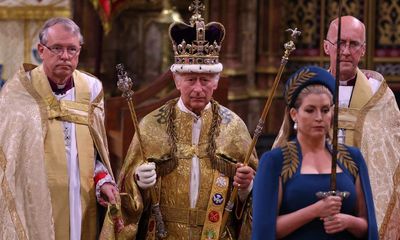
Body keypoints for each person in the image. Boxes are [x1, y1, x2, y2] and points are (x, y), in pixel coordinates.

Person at [100, 1, 258, 239]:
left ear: (216, 82)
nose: (197, 88)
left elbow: (251, 199)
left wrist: (247, 188)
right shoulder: (152, 125)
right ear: (176, 80)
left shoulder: (234, 127)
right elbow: (126, 197)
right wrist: (138, 182)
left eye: (205, 80)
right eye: (190, 79)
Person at [0, 17, 119, 239]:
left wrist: (102, 178)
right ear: (41, 50)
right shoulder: (20, 91)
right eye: (57, 48)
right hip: (36, 201)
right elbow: (9, 153)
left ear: (79, 51)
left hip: (81, 200)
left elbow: (97, 148)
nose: (65, 56)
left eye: (72, 49)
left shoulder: (91, 89)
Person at [253, 66, 378, 239]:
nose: (319, 117)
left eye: (325, 110)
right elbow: (264, 229)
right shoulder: (275, 161)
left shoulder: (352, 158)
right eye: (310, 110)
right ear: (294, 114)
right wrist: (315, 210)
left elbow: (368, 225)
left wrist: (348, 222)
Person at [323, 16, 400, 239]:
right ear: (326, 46)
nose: (346, 51)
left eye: (354, 44)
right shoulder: (309, 89)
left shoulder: (378, 95)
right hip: (315, 193)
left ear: (363, 50)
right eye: (340, 43)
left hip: (363, 199)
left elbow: (392, 153)